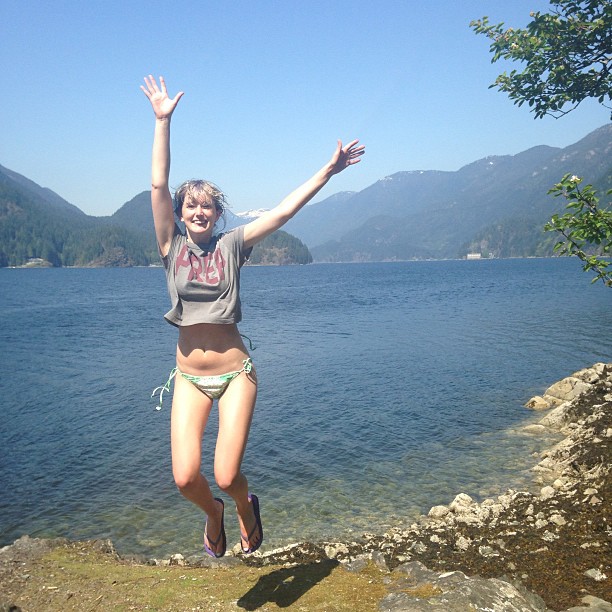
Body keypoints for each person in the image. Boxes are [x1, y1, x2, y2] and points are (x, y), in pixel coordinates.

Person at [142, 75, 365, 558]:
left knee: (225, 474)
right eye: (191, 204)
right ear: (180, 212)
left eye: (207, 206)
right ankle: (214, 513)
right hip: (187, 378)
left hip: (235, 372)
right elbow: (158, 182)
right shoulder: (170, 246)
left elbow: (283, 213)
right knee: (185, 478)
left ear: (217, 215)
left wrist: (328, 171)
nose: (199, 211)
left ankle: (243, 504)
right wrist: (163, 121)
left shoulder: (232, 246)